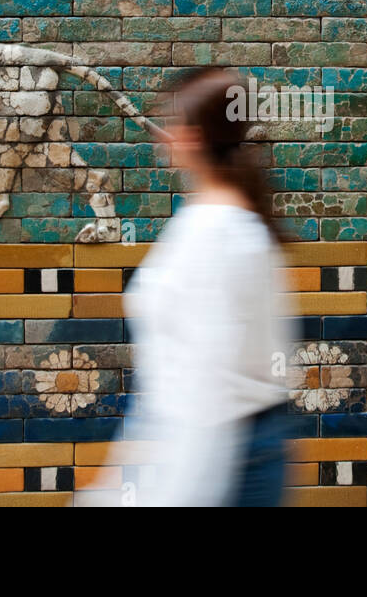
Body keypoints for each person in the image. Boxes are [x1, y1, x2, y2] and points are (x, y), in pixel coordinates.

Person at [118, 67, 296, 506]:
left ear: (194, 137)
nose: (161, 135)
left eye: (170, 123)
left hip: (219, 459)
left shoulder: (217, 234)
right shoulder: (227, 222)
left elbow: (206, 393)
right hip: (232, 448)